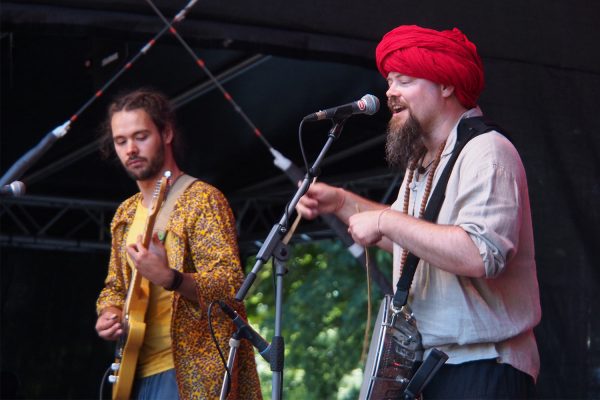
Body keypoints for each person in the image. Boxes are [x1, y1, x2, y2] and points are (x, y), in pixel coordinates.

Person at [297, 25, 541, 398]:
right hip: (435, 368)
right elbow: (411, 243)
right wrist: (342, 203)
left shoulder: (487, 151)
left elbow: (480, 254)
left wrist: (385, 219)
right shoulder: (425, 160)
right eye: (390, 81)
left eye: (405, 80)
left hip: (483, 366)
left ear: (446, 85)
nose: (390, 92)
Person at [94, 89, 262, 399]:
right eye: (121, 141)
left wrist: (171, 277)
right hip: (133, 371)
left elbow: (230, 285)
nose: (131, 149)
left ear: (166, 132)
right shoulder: (125, 214)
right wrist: (110, 312)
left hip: (192, 372)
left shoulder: (202, 200)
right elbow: (114, 286)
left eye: (141, 136)